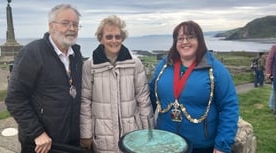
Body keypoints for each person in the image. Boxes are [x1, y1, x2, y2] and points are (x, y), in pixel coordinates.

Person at [149, 21, 239, 153]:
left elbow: (229, 107)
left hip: (200, 146)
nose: (185, 42)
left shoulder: (215, 69)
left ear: (200, 40)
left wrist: (222, 145)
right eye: (180, 38)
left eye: (190, 37)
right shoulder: (164, 65)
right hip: (165, 142)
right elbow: (151, 96)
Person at [5, 4, 83, 153]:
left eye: (75, 24)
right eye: (65, 23)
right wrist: (37, 132)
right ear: (51, 26)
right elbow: (14, 98)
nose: (72, 28)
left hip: (71, 139)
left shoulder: (76, 55)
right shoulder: (32, 53)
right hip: (43, 143)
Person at [80, 15, 154, 153]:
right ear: (101, 38)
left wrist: (149, 133)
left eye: (117, 36)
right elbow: (85, 102)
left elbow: (143, 101)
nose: (114, 41)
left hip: (132, 136)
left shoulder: (135, 64)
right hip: (102, 137)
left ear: (122, 38)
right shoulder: (90, 65)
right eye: (109, 37)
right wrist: (86, 134)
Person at [265, 45, 276, 116]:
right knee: (274, 91)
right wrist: (268, 72)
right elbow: (269, 60)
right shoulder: (274, 47)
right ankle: (272, 106)